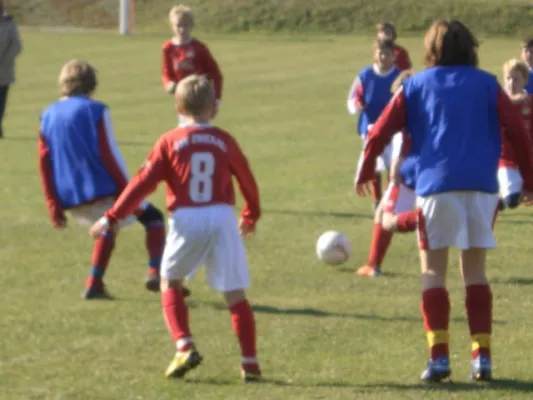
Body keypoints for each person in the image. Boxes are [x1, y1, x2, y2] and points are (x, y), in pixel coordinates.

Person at [355, 20, 533, 382]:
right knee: (476, 272)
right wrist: (529, 178)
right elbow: (515, 127)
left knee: (434, 272)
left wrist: (364, 171)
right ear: (471, 47)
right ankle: (481, 358)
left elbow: (380, 129)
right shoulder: (487, 83)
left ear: (431, 49)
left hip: (436, 187)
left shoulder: (417, 84)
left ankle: (439, 358)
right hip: (484, 188)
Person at [89, 75, 262, 382]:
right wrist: (250, 213)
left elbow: (142, 183)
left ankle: (184, 345)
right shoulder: (224, 139)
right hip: (221, 216)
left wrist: (112, 217)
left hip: (186, 218)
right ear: (214, 107)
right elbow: (246, 175)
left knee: (170, 282)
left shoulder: (169, 141)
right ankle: (250, 364)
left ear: (178, 106)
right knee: (236, 295)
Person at [38, 60, 191, 300]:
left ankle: (97, 284)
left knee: (107, 223)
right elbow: (108, 153)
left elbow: (44, 162)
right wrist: (129, 190)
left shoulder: (47, 114)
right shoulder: (96, 111)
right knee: (151, 218)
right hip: (100, 187)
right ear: (92, 85)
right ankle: (154, 272)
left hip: (69, 194)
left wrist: (52, 204)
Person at [356, 70, 415, 277]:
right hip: (427, 170)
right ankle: (373, 264)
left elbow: (401, 140)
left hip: (409, 173)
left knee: (385, 217)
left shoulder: (406, 111)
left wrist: (397, 165)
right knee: (382, 210)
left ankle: (373, 266)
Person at [347, 39, 401, 209]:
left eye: (387, 53)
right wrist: (356, 105)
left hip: (393, 129)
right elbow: (353, 97)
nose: (384, 56)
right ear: (374, 55)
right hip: (370, 128)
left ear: (394, 56)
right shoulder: (365, 75)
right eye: (380, 52)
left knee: (393, 164)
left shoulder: (399, 77)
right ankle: (377, 201)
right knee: (374, 164)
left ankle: (391, 198)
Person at [162, 4, 223, 126]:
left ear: (192, 26)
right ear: (172, 27)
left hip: (201, 97)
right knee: (185, 129)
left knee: (200, 128)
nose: (182, 29)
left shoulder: (199, 48)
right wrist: (168, 84)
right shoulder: (168, 48)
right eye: (179, 25)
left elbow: (216, 75)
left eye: (186, 25)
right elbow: (166, 73)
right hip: (182, 98)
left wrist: (216, 100)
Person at [498, 59, 533, 210]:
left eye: (516, 78)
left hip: (528, 158)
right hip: (506, 160)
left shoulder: (530, 103)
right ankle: (497, 197)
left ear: (525, 80)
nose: (511, 82)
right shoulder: (497, 104)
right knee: (512, 200)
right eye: (508, 78)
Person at [0, 0, 22, 139]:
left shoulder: (9, 25)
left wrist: (4, 60)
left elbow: (16, 45)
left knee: (0, 103)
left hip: (4, 73)